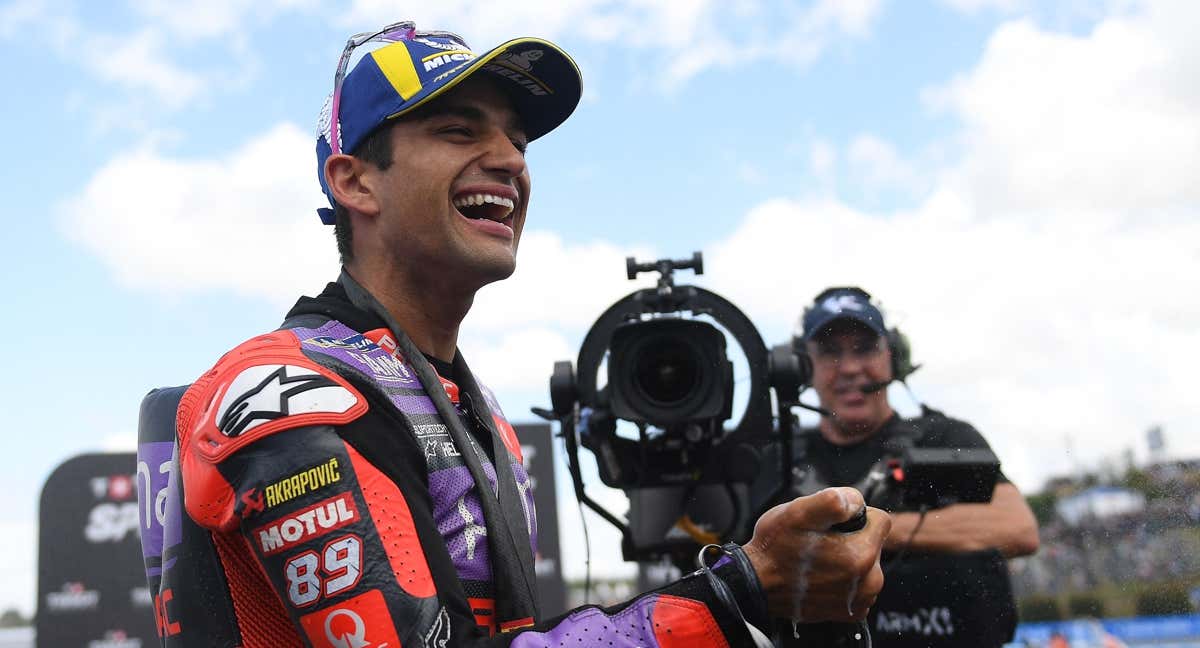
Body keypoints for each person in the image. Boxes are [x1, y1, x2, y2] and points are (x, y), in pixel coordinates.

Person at [136, 22, 890, 648]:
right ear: (355, 181)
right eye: (459, 130)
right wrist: (735, 596)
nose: (508, 161)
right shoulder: (286, 392)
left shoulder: (477, 408)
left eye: (518, 142)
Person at [764, 286, 1039, 648]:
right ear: (802, 366)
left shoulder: (945, 436)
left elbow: (1017, 528)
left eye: (865, 348)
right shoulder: (772, 456)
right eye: (830, 352)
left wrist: (866, 530)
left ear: (893, 357)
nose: (849, 368)